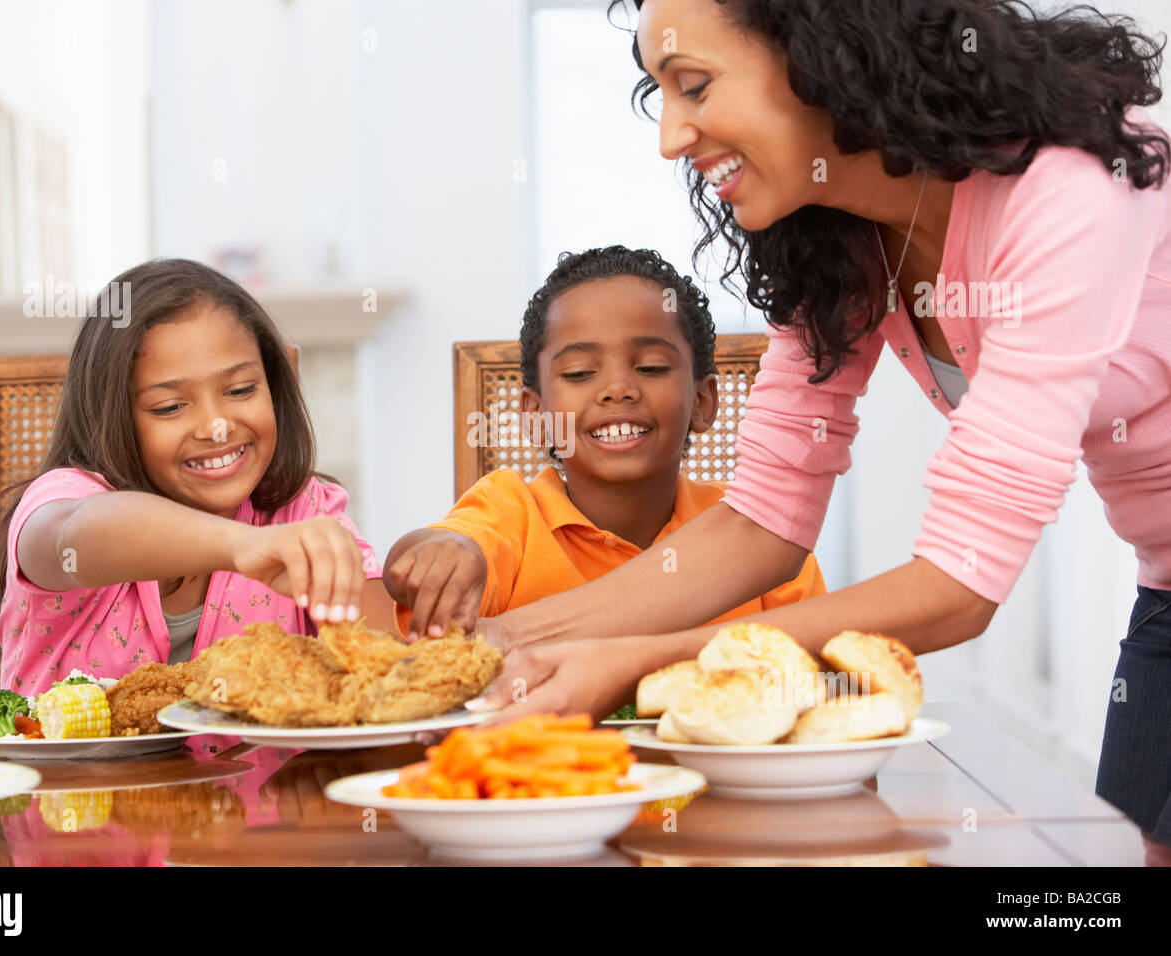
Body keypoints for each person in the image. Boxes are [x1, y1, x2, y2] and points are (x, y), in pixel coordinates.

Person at [468, 0, 1171, 847]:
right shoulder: (844, 237)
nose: (671, 138)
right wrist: (492, 645)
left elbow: (963, 578)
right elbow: (762, 521)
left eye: (693, 86)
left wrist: (642, 658)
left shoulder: (1066, 187)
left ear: (823, 52)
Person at [0, 258, 392, 695]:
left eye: (241, 390)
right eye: (170, 407)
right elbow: (78, 534)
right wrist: (245, 546)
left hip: (268, 769)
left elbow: (392, 670)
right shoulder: (66, 501)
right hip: (72, 767)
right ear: (113, 417)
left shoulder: (302, 509)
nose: (216, 426)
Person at [383, 246, 825, 640]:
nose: (617, 389)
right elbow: (435, 551)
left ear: (703, 401)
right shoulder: (508, 512)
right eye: (578, 373)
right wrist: (440, 554)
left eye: (651, 367)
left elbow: (812, 670)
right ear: (536, 417)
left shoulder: (758, 531)